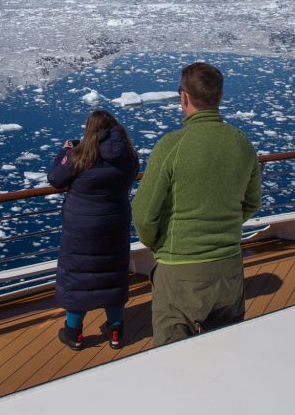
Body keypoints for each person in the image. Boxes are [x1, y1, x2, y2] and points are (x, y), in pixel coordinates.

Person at [131, 62, 261, 347]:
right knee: (227, 350)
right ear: (220, 96)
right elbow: (253, 201)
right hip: (228, 268)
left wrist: (159, 244)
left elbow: (143, 214)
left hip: (179, 271)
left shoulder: (171, 146)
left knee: (174, 358)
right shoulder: (241, 143)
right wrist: (225, 227)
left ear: (184, 97)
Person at [48, 110, 139, 351]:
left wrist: (65, 151)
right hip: (115, 225)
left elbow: (55, 178)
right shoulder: (129, 157)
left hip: (81, 230)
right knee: (113, 276)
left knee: (79, 277)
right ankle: (116, 330)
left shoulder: (80, 156)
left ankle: (74, 333)